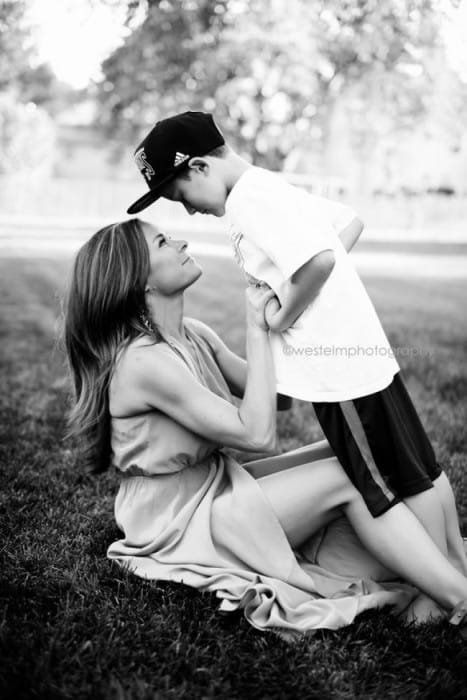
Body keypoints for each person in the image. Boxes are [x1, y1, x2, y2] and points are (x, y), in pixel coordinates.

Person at [64, 218, 467, 639]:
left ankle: (435, 570)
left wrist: (288, 306)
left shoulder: (193, 334)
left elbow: (279, 397)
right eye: (163, 242)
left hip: (214, 487)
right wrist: (256, 329)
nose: (180, 242)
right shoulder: (143, 362)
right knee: (345, 478)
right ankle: (456, 596)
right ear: (138, 280)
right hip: (179, 520)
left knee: (355, 456)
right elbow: (258, 435)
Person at [125, 111, 467, 584]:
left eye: (181, 196)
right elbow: (348, 224)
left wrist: (283, 313)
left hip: (337, 373)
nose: (188, 211)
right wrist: (311, 286)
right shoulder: (268, 187)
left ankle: (436, 584)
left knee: (389, 481)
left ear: (200, 167)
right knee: (418, 467)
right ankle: (454, 562)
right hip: (358, 352)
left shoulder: (248, 203)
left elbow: (319, 260)